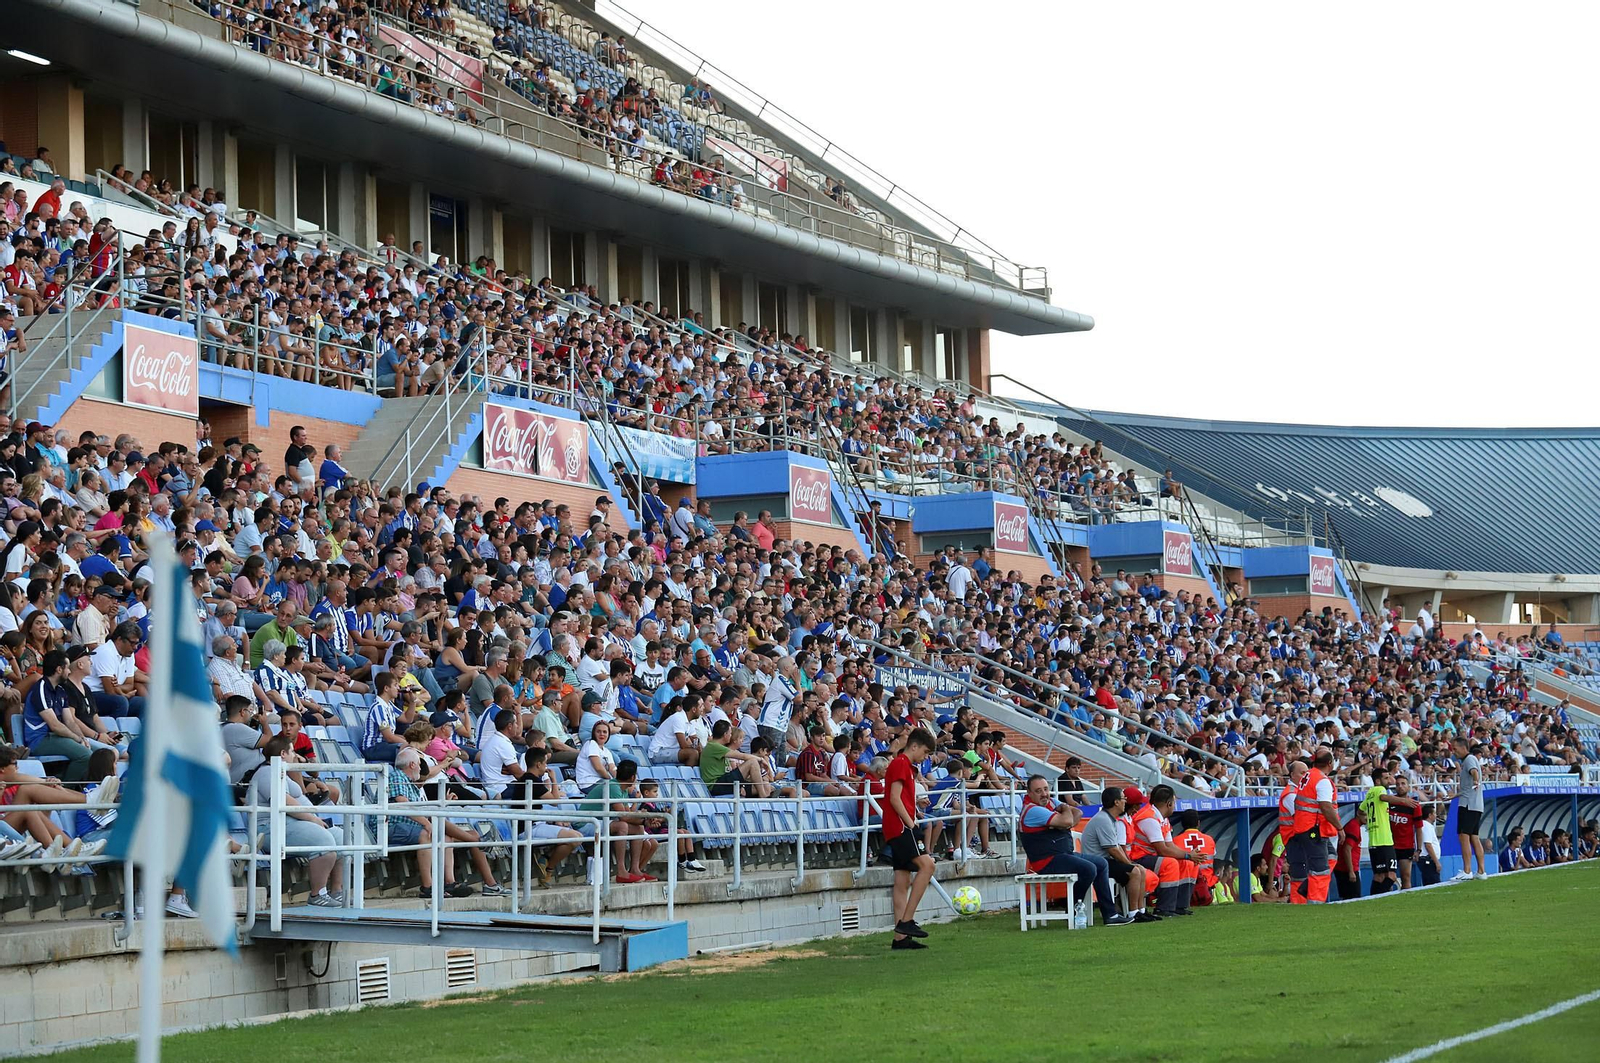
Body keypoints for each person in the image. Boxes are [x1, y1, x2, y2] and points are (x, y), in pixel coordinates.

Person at [1019, 774, 1135, 927]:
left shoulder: (1049, 802)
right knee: (1089, 868)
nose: (1044, 794)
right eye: (1038, 791)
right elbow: (1068, 819)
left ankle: (1110, 914)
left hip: (1062, 854)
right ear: (1029, 793)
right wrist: (1065, 812)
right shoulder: (1033, 810)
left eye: (1046, 789)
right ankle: (1073, 906)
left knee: (1101, 863)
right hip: (1046, 860)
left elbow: (1078, 813)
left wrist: (1062, 822)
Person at [883, 728, 937, 949]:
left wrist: (914, 809)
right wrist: (910, 822)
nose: (925, 757)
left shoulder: (904, 765)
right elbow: (895, 799)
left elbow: (901, 798)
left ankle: (900, 939)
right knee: (928, 865)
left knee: (902, 880)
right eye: (925, 752)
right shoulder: (901, 763)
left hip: (897, 825)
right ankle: (906, 922)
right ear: (914, 746)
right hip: (900, 826)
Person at [1078, 785, 1159, 922]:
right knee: (1135, 871)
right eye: (1123, 799)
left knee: (1140, 870)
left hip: (1104, 860)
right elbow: (1113, 849)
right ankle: (1133, 913)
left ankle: (1141, 910)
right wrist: (1129, 864)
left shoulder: (1109, 819)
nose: (1125, 802)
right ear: (1116, 802)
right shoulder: (1104, 820)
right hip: (1099, 862)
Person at [1125, 784, 1200, 917]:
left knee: (1187, 863)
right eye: (1174, 802)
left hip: (1149, 856)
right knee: (1170, 863)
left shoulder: (1162, 818)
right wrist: (1188, 854)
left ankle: (1179, 905)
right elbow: (1163, 850)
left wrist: (1189, 857)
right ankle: (1164, 908)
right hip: (1138, 857)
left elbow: (1170, 845)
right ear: (1169, 803)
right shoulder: (1149, 818)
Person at [1284, 749, 1340, 904]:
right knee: (1319, 870)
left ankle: (1305, 890)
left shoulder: (1309, 776)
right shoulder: (1321, 780)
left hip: (1308, 829)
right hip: (1313, 830)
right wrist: (1340, 828)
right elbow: (1326, 807)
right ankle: (1315, 903)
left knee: (1330, 857)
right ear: (1330, 763)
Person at [1359, 766, 1418, 895]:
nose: (1389, 781)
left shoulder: (1369, 793)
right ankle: (1379, 897)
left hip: (1373, 841)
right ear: (1378, 781)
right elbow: (1383, 798)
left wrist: (1367, 820)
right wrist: (1403, 800)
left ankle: (1372, 898)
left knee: (1379, 876)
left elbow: (1360, 810)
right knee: (1391, 876)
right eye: (1386, 778)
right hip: (1384, 840)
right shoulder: (1380, 790)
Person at [1451, 737, 1488, 880]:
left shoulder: (1469, 759)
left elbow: (1474, 773)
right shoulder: (1469, 760)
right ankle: (1481, 871)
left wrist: (1476, 779)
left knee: (1463, 836)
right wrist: (1455, 795)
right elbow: (1468, 787)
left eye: (1455, 748)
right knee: (1474, 837)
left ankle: (1467, 871)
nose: (1454, 752)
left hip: (1468, 805)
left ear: (1463, 747)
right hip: (1475, 804)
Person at [1172, 808, 1218, 907]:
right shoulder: (1209, 840)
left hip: (1184, 886)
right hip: (1206, 887)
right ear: (1198, 823)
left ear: (1182, 824)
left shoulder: (1175, 841)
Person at [1387, 774, 1424, 889]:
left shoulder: (1414, 806)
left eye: (1403, 784)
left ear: (1408, 787)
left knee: (1406, 876)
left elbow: (1419, 829)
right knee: (1387, 877)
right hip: (1389, 845)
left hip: (1406, 846)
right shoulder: (1390, 801)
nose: (1400, 786)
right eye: (1397, 784)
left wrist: (1418, 849)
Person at [1333, 806, 1366, 902]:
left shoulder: (1354, 825)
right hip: (1346, 869)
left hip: (1344, 868)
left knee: (1347, 899)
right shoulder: (1354, 826)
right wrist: (1351, 871)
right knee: (1353, 899)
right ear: (1358, 814)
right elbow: (1347, 850)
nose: (1367, 818)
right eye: (1365, 815)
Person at [1416, 804, 1442, 885]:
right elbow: (1428, 845)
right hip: (1428, 860)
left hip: (1428, 860)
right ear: (1430, 815)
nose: (1436, 815)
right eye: (1434, 813)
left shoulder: (1425, 825)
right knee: (1433, 883)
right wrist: (1436, 862)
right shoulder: (1426, 826)